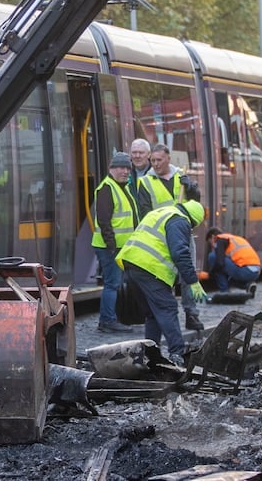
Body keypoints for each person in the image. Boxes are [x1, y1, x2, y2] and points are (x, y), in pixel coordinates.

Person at [116, 200, 208, 366]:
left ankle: (150, 353)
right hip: (150, 268)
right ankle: (177, 354)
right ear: (192, 220)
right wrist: (192, 282)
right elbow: (180, 253)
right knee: (168, 308)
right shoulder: (180, 221)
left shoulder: (162, 212)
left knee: (152, 313)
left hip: (131, 264)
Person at [135, 144, 205, 331]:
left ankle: (191, 314)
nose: (155, 164)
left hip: (181, 233)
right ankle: (167, 316)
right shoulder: (145, 182)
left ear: (168, 159)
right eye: (153, 161)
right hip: (159, 238)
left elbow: (195, 203)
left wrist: (192, 189)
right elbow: (144, 211)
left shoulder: (181, 178)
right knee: (165, 276)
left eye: (159, 160)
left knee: (187, 271)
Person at [92, 152, 136, 332]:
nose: (125, 171)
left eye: (127, 168)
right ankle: (108, 320)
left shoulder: (121, 187)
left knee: (114, 283)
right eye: (121, 168)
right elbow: (104, 221)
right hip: (110, 247)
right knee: (112, 284)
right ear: (111, 169)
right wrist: (112, 247)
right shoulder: (107, 188)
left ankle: (111, 318)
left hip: (120, 246)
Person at [204, 227, 260, 297]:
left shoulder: (220, 239)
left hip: (245, 270)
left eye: (210, 243)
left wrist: (210, 274)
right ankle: (248, 286)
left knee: (213, 257)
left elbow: (220, 263)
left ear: (213, 237)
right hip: (256, 271)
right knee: (229, 278)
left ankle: (224, 292)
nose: (212, 247)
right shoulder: (234, 238)